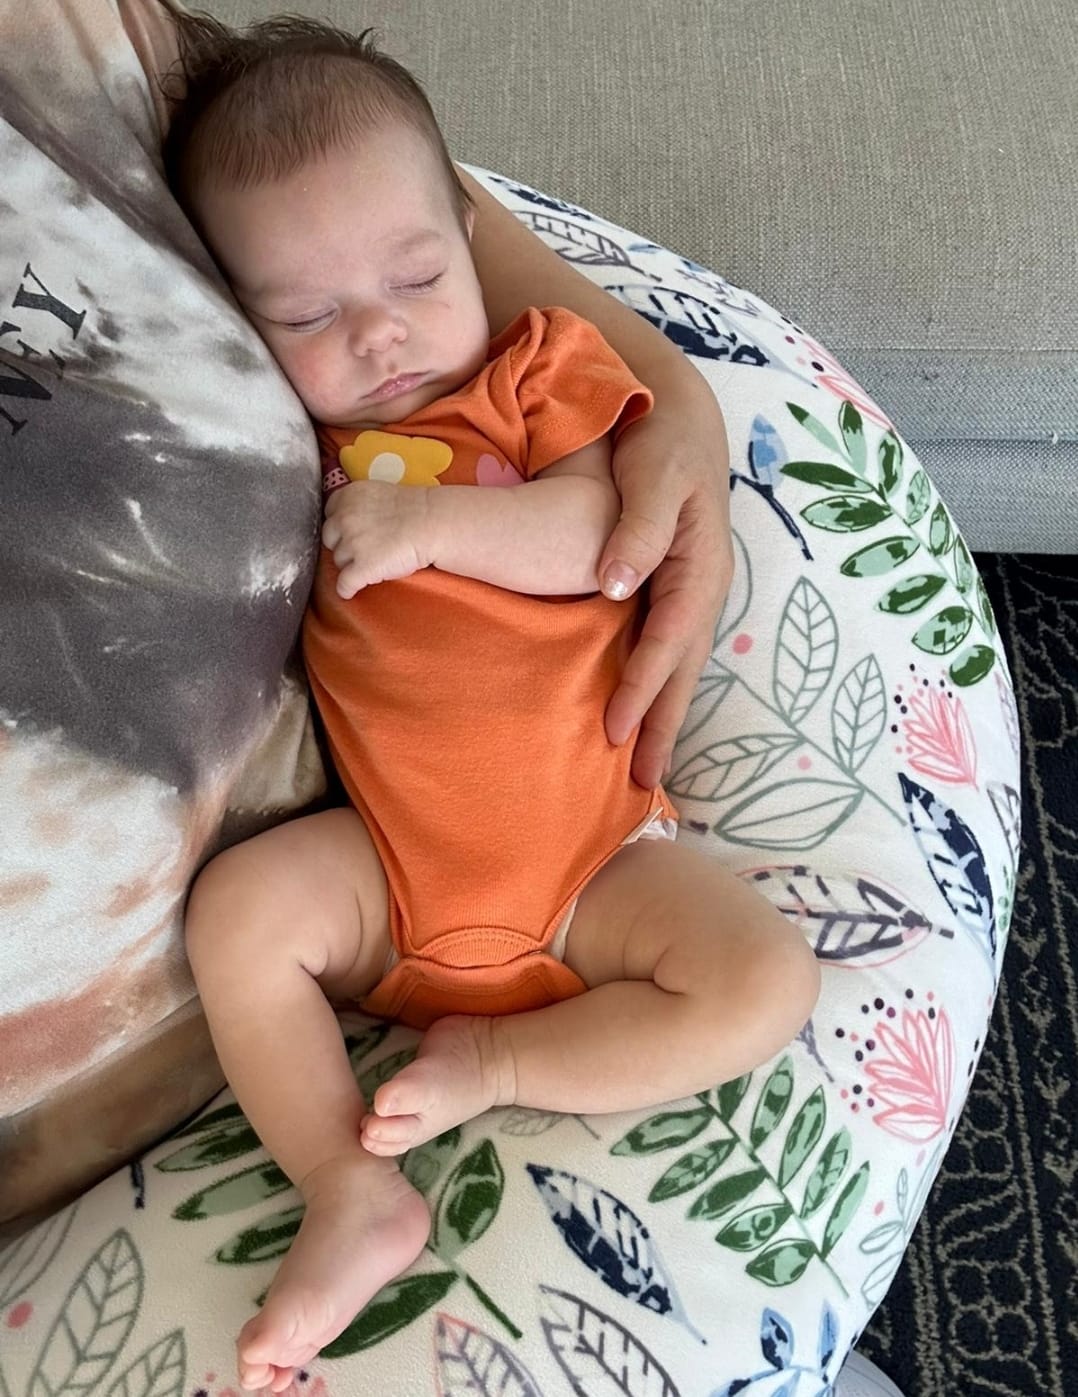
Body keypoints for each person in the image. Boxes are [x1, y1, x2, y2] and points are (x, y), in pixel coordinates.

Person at [164, 12, 821, 1391]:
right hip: (389, 883)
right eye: (306, 316)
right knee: (240, 915)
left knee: (763, 981)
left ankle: (504, 1065)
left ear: (470, 239)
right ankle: (347, 1185)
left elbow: (600, 541)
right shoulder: (304, 444)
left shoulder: (533, 373)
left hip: (592, 867)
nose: (379, 331)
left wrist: (431, 529)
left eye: (414, 274)